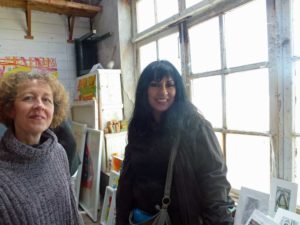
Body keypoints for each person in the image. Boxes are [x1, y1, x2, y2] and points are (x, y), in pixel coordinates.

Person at [116, 60, 235, 225]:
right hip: (143, 219)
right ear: (145, 90)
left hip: (183, 218)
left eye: (169, 84)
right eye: (155, 84)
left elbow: (214, 180)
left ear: (177, 89)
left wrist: (220, 221)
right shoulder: (139, 126)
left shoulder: (195, 126)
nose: (163, 91)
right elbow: (128, 180)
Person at [0, 71, 83, 225]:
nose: (39, 105)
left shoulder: (58, 152)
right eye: (28, 98)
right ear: (10, 109)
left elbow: (71, 208)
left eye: (46, 100)